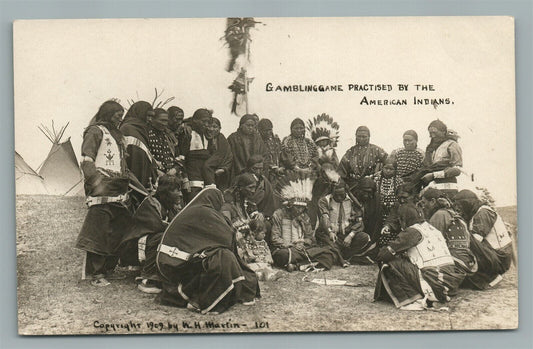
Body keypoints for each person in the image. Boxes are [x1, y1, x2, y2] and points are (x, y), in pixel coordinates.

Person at [156, 188, 260, 314]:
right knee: (223, 258)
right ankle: (205, 299)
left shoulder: (195, 210)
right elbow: (226, 237)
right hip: (176, 265)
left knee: (222, 256)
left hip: (169, 261)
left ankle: (203, 295)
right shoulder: (205, 212)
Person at [76, 100, 132, 287]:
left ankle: (108, 268)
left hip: (119, 186)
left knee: (117, 229)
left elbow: (122, 163)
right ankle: (95, 274)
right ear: (107, 114)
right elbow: (87, 159)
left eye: (122, 116)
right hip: (102, 187)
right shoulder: (95, 131)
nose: (120, 119)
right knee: (99, 231)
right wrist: (96, 182)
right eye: (117, 115)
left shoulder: (118, 135)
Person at [374, 203, 464, 310]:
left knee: (391, 263)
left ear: (403, 220)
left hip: (436, 285)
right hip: (451, 285)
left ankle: (412, 300)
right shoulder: (433, 229)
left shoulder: (412, 231)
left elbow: (383, 255)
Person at [118, 175, 182, 294]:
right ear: (166, 191)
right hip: (132, 249)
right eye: (176, 190)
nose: (180, 194)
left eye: (179, 190)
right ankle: (147, 278)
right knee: (160, 237)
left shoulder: (168, 204)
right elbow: (156, 226)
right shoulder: (151, 203)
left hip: (145, 245)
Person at [270, 174, 342, 271]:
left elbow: (310, 238)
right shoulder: (278, 215)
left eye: (302, 208)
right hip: (288, 248)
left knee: (329, 254)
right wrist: (291, 244)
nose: (300, 210)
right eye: (297, 207)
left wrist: (303, 242)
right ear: (290, 206)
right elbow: (275, 238)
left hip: (304, 249)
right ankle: (303, 263)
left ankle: (297, 265)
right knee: (283, 255)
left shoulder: (304, 217)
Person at [453, 189, 513, 289]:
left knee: (469, 240)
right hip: (498, 254)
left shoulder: (483, 213)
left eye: (460, 206)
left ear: (467, 203)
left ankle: (491, 277)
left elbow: (475, 240)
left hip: (500, 258)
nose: (459, 209)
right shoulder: (478, 212)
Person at [419, 188, 478, 280]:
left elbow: (431, 243)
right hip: (468, 262)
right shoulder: (454, 214)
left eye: (424, 202)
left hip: (456, 263)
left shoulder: (439, 215)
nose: (423, 206)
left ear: (432, 201)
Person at [315, 181, 375, 265]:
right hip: (329, 235)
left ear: (346, 192)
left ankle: (343, 255)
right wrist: (330, 232)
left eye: (342, 195)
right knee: (331, 246)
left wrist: (350, 236)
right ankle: (340, 255)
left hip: (345, 234)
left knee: (364, 238)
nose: (339, 198)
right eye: (336, 195)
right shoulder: (325, 201)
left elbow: (359, 221)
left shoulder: (352, 201)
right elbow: (324, 217)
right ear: (332, 192)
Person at [418, 119, 463, 198]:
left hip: (448, 189)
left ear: (443, 132)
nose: (432, 135)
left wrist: (433, 175)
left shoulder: (452, 145)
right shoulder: (431, 149)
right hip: (432, 188)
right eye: (430, 133)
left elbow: (457, 170)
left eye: (434, 132)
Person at [119, 101, 157, 194]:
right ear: (140, 114)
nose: (150, 120)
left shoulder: (141, 130)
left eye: (152, 117)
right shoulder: (128, 129)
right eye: (148, 116)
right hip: (133, 182)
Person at [178, 108, 212, 202]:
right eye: (203, 121)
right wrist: (185, 179)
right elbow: (181, 159)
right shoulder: (188, 134)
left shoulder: (208, 136)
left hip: (206, 180)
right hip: (192, 182)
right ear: (195, 120)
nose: (206, 125)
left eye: (208, 122)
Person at [338, 126, 388, 191]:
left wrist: (378, 175)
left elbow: (389, 164)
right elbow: (341, 170)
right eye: (359, 136)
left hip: (372, 186)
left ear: (369, 137)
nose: (361, 139)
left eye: (364, 136)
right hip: (353, 186)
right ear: (356, 136)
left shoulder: (377, 150)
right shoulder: (350, 152)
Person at [227, 114, 267, 182]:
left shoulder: (258, 138)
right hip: (238, 172)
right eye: (248, 125)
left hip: (256, 171)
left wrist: (257, 168)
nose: (251, 127)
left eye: (252, 126)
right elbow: (231, 156)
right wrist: (243, 170)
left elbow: (264, 154)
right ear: (241, 125)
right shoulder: (233, 138)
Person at [202, 117, 233, 190]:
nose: (211, 129)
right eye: (209, 126)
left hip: (220, 171)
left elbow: (229, 156)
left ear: (219, 128)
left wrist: (224, 169)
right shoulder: (203, 138)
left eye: (215, 127)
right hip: (204, 172)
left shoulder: (222, 139)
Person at [372, 159, 403, 224]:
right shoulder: (375, 179)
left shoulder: (399, 181)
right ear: (382, 168)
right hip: (377, 209)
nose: (388, 171)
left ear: (395, 170)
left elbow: (400, 196)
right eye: (386, 168)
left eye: (391, 169)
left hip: (392, 210)